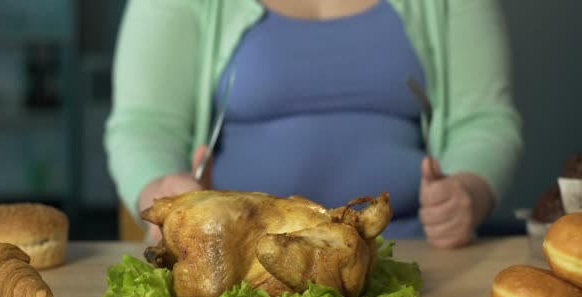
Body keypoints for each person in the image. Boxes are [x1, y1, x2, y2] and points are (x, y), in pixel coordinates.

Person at [104, 0, 523, 248]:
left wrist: (469, 191)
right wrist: (160, 191)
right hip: (236, 262)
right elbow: (145, 125)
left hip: (413, 258)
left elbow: (483, 120)